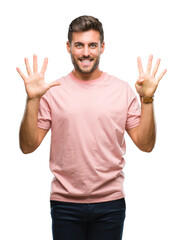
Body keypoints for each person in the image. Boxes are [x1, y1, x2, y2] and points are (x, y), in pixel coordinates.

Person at [16, 15, 167, 240]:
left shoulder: (122, 89)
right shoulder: (53, 91)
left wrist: (147, 100)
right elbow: (27, 146)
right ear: (69, 47)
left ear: (102, 47)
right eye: (79, 45)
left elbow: (145, 145)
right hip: (64, 204)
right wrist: (32, 100)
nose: (86, 52)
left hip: (111, 204)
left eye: (92, 45)